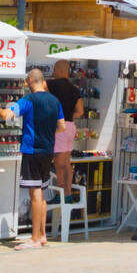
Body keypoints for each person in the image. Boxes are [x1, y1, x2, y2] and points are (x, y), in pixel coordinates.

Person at [0, 67, 64, 250]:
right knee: (42, 190)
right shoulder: (55, 101)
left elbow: (8, 116)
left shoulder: (28, 100)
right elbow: (62, 127)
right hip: (48, 150)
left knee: (35, 193)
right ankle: (43, 236)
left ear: (30, 81)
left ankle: (34, 239)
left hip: (32, 150)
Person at [46, 61, 84, 202]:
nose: (53, 72)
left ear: (60, 70)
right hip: (70, 127)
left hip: (60, 128)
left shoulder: (53, 84)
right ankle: (67, 194)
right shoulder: (74, 89)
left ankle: (62, 195)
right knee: (67, 163)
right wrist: (67, 115)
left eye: (54, 69)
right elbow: (80, 111)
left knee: (59, 164)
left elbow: (36, 87)